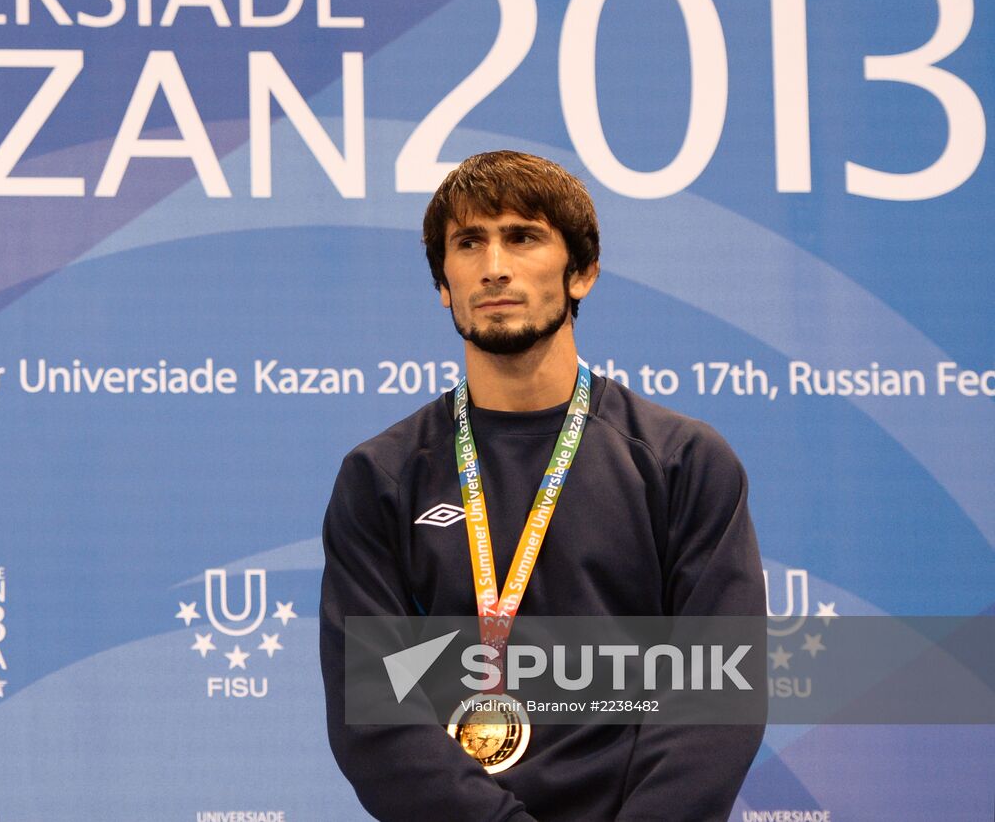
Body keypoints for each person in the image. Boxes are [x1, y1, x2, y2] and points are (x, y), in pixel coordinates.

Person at [319, 150, 765, 821]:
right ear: (444, 281)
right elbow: (374, 715)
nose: (494, 266)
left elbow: (717, 698)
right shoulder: (380, 477)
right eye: (468, 243)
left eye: (522, 236)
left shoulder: (682, 461)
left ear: (581, 272)